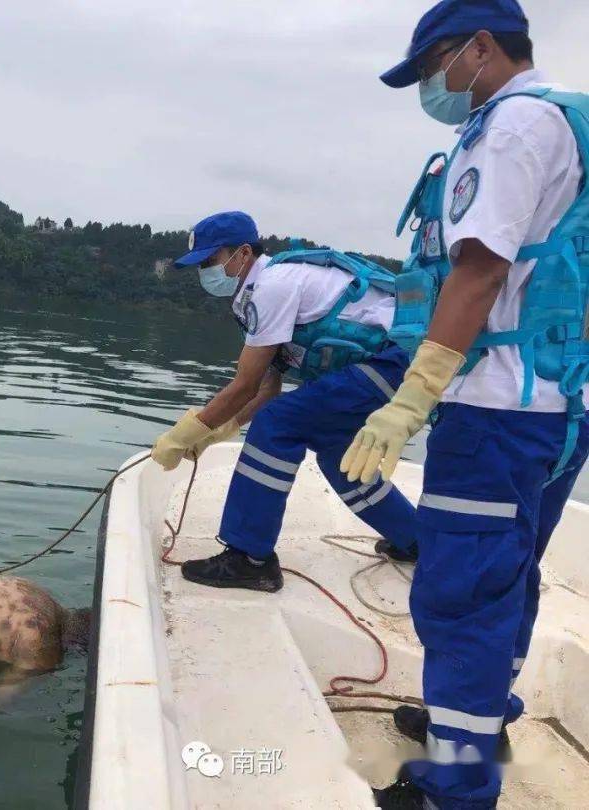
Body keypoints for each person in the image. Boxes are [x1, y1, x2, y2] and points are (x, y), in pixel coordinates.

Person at [343, 2, 589, 807]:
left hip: (496, 411)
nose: (429, 85)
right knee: (506, 576)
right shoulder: (571, 122)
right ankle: (482, 718)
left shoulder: (513, 126)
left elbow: (477, 271)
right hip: (559, 405)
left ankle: (456, 785)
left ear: (482, 47)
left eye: (432, 65)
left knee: (460, 591)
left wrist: (411, 397)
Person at [150, 210, 420, 593]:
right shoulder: (256, 297)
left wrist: (184, 434)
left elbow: (244, 386)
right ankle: (416, 541)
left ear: (243, 253)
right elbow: (266, 388)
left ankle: (249, 558)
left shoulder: (275, 284)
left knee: (279, 423)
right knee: (337, 454)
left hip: (396, 361)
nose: (206, 272)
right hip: (388, 366)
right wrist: (212, 435)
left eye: (211, 260)